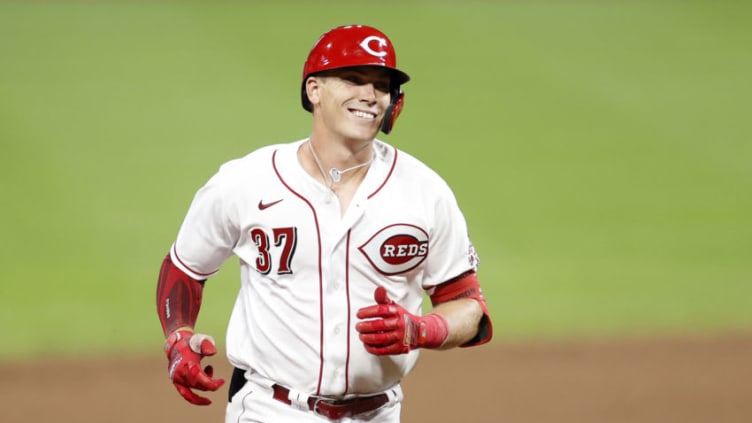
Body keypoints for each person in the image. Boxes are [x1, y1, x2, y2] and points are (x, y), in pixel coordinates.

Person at [155, 24, 493, 423]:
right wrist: (179, 338)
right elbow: (186, 267)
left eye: (381, 86)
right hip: (269, 409)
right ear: (313, 90)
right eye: (353, 79)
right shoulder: (246, 181)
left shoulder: (424, 191)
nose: (369, 95)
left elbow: (468, 306)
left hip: (379, 413)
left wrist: (423, 329)